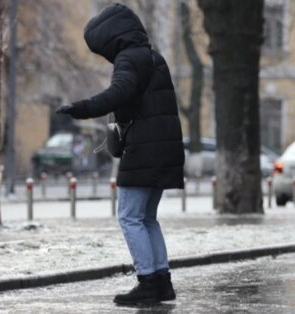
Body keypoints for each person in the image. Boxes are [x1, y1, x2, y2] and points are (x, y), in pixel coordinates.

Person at [55, 3, 185, 305]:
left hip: (144, 151)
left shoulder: (129, 59)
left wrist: (83, 108)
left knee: (129, 217)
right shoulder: (154, 58)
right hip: (163, 149)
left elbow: (120, 92)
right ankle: (162, 281)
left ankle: (148, 281)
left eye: (103, 50)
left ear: (112, 39)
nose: (106, 56)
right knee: (147, 218)